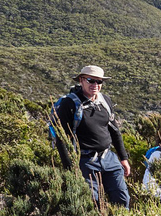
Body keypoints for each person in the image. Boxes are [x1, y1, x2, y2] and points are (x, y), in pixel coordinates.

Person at [54, 65, 131, 208]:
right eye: (91, 80)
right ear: (81, 80)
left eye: (99, 82)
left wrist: (123, 158)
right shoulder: (69, 104)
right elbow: (61, 139)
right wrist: (70, 169)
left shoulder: (105, 101)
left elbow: (114, 131)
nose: (95, 85)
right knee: (93, 203)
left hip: (109, 158)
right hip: (85, 161)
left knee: (122, 199)